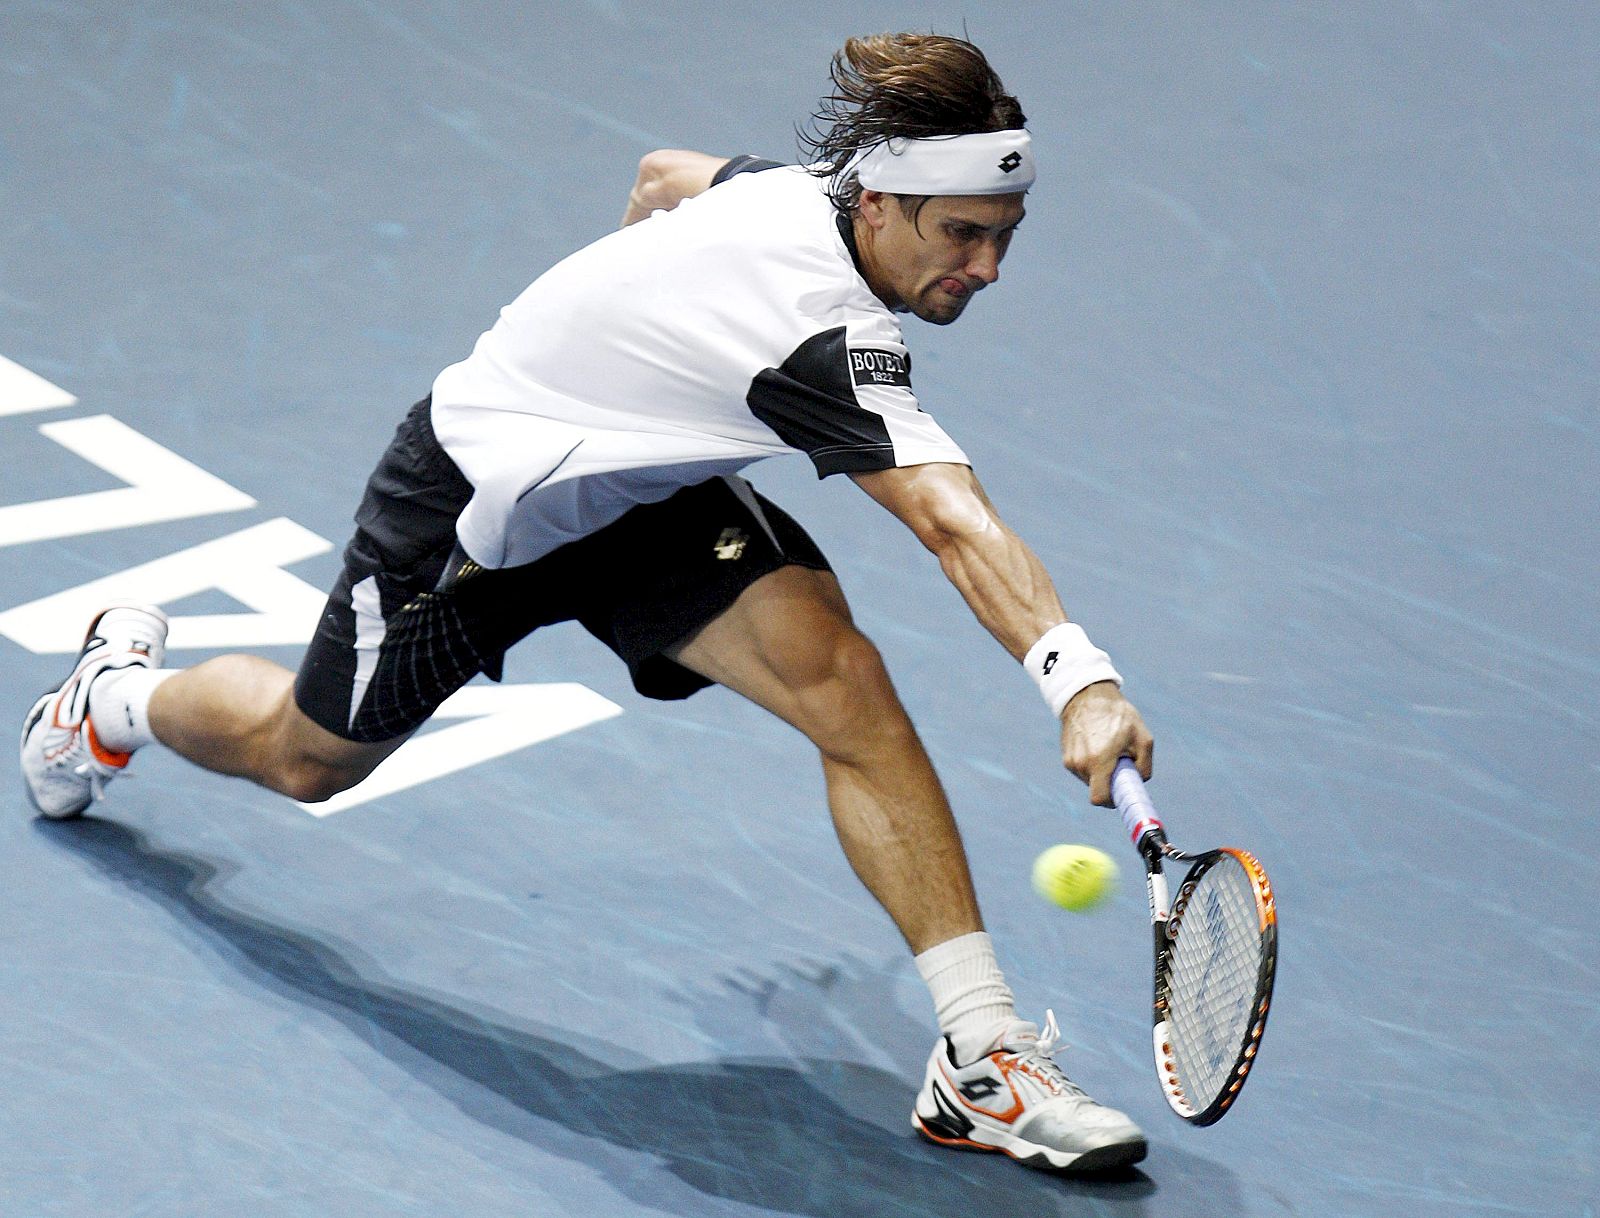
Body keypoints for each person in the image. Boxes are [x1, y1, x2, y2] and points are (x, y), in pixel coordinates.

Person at [21, 33, 1155, 1173]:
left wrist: (622, 352)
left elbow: (666, 172)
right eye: (962, 235)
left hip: (641, 505)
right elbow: (952, 521)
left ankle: (979, 1052)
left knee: (848, 690)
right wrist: (1080, 679)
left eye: (1003, 238)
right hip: (471, 509)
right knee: (306, 759)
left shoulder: (792, 191)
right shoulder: (819, 339)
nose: (988, 267)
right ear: (877, 203)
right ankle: (112, 697)